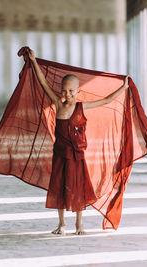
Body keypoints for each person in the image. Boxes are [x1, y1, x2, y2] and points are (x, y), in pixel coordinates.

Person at [27, 49, 129, 235]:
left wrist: (123, 88)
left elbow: (106, 100)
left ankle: (79, 224)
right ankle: (61, 224)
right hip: (60, 155)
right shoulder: (58, 104)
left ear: (78, 91)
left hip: (76, 157)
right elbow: (42, 82)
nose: (68, 93)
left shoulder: (82, 107)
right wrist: (34, 62)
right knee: (59, 188)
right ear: (60, 90)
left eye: (71, 90)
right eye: (64, 90)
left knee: (78, 190)